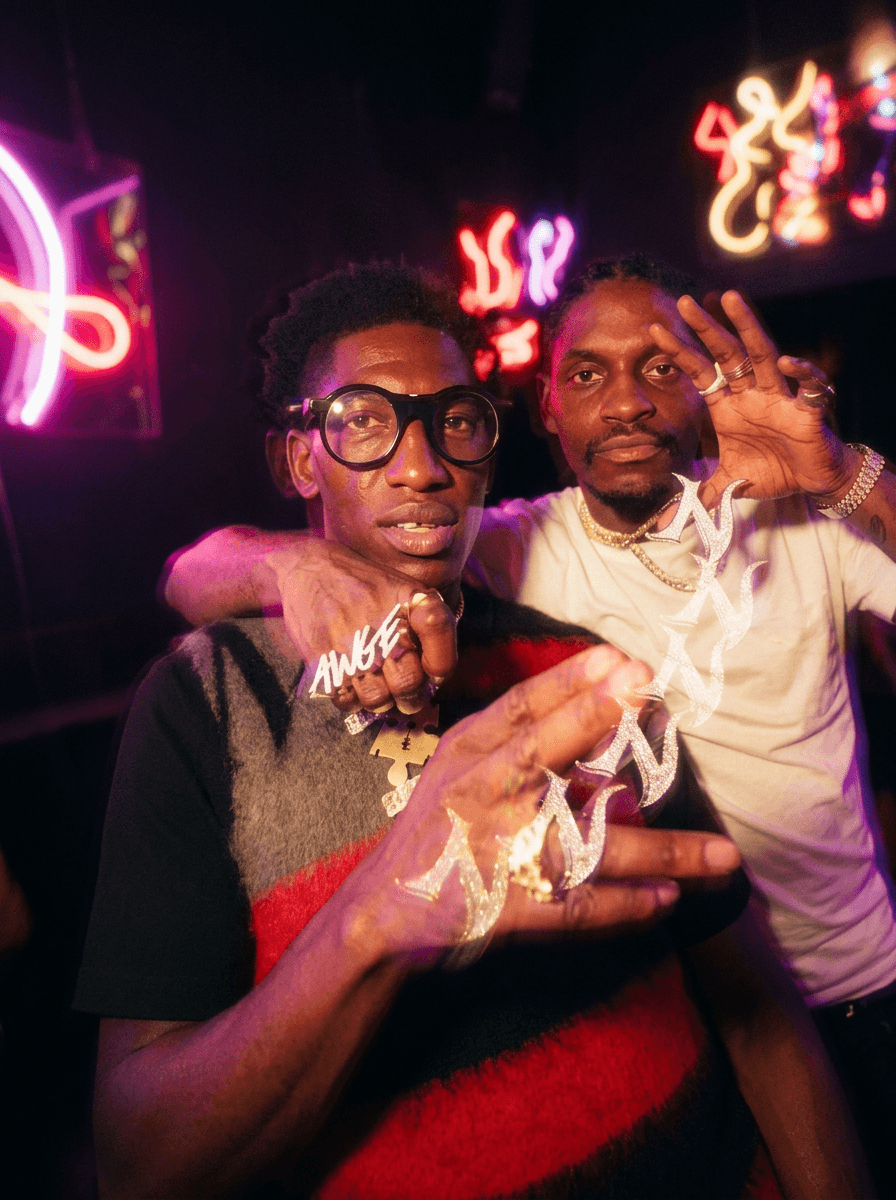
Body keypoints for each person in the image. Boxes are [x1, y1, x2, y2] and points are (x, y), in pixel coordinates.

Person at [78, 263, 868, 1199]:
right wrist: (382, 915)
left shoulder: (580, 659)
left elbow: (752, 1005)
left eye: (455, 420)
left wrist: (847, 475)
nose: (422, 466)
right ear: (298, 460)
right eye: (363, 421)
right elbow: (140, 1165)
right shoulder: (207, 703)